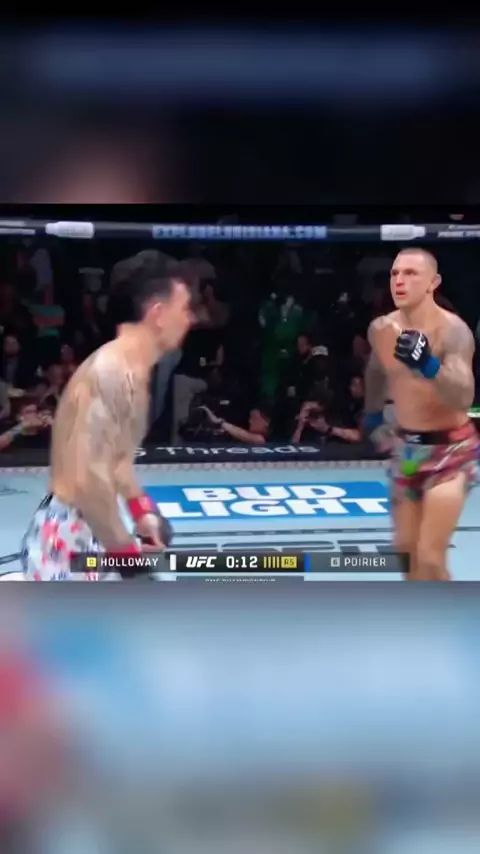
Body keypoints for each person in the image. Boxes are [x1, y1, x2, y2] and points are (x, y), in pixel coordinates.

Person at [20, 266, 193, 581]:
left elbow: (118, 463)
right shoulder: (114, 371)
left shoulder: (133, 371)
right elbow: (89, 479)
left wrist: (141, 513)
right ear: (158, 313)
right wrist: (128, 558)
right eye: (183, 309)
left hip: (86, 527)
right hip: (71, 534)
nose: (190, 319)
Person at [364, 247, 478, 581]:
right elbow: (376, 370)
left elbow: (464, 396)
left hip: (451, 452)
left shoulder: (452, 331)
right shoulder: (381, 329)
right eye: (394, 274)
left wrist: (429, 365)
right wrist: (372, 416)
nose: (399, 281)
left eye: (411, 273)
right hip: (407, 452)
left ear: (433, 282)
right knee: (407, 556)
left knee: (430, 557)